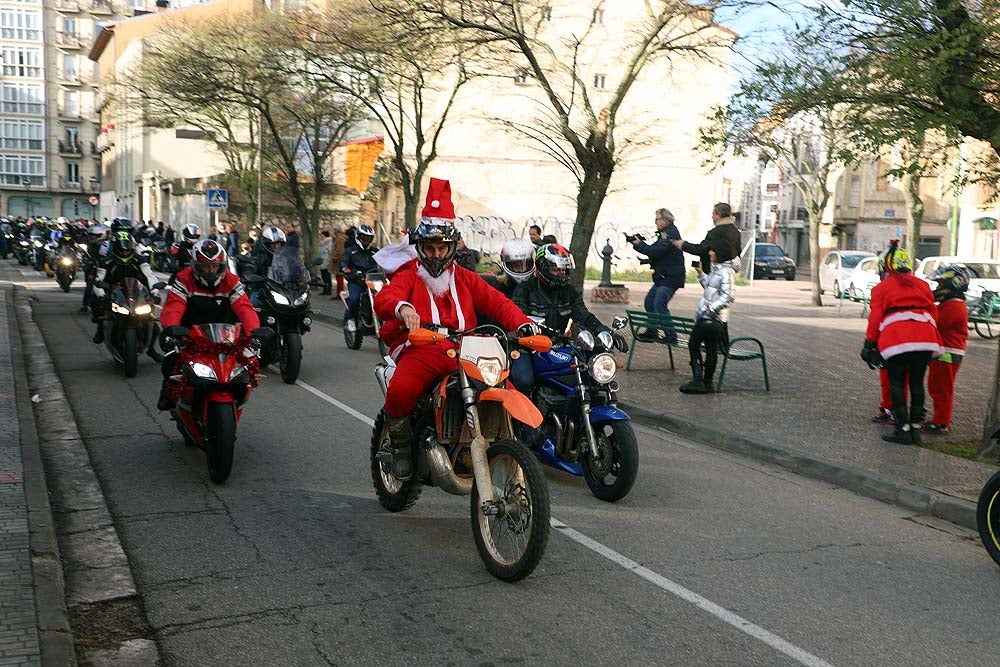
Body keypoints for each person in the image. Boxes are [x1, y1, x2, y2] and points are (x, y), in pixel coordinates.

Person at [373, 178, 533, 479]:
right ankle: (401, 445)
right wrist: (403, 308)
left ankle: (509, 448)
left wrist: (523, 324)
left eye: (441, 247)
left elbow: (498, 303)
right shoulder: (409, 274)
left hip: (468, 349)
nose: (435, 254)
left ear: (451, 247)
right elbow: (386, 298)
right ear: (420, 247)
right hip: (423, 347)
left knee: (507, 387)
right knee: (401, 389)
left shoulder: (466, 277)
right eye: (429, 247)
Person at [155, 239, 262, 411]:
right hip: (189, 334)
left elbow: (245, 308)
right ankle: (167, 390)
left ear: (222, 265)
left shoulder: (231, 281)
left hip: (225, 336)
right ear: (196, 265)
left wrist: (254, 334)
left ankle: (237, 395)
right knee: (171, 359)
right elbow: (173, 308)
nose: (211, 271)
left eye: (215, 266)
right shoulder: (183, 279)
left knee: (247, 364)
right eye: (205, 266)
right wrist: (172, 330)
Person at [511, 243, 628, 392]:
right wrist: (527, 328)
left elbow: (583, 315)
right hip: (527, 347)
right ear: (542, 267)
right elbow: (517, 317)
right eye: (555, 269)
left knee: (590, 375)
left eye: (563, 269)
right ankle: (521, 414)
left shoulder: (569, 291)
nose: (561, 273)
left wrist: (605, 331)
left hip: (558, 346)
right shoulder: (525, 289)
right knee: (524, 380)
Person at [860, 241, 943, 444]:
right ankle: (915, 429)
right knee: (916, 383)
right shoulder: (922, 285)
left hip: (897, 339)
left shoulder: (882, 287)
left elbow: (876, 317)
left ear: (886, 266)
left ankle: (902, 429)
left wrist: (869, 345)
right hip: (926, 339)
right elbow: (934, 314)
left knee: (896, 383)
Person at [679, 248, 739, 394]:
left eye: (713, 251)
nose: (710, 254)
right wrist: (701, 274)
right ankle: (706, 383)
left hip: (712, 318)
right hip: (707, 317)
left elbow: (729, 296)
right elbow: (710, 288)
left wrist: (710, 309)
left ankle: (699, 381)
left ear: (721, 253)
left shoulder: (726, 271)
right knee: (709, 348)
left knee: (695, 345)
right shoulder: (718, 269)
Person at [91, 231, 159, 345]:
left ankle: (150, 349)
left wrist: (155, 292)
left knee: (154, 324)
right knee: (97, 306)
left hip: (137, 294)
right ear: (116, 248)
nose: (124, 253)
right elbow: (98, 280)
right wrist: (102, 295)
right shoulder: (106, 262)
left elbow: (150, 276)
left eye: (127, 250)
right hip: (114, 293)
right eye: (122, 250)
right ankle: (100, 329)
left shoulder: (139, 260)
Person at [925, 264, 971, 435]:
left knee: (941, 388)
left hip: (948, 354)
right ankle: (940, 419)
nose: (937, 288)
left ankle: (941, 423)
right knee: (937, 386)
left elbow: (936, 324)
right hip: (946, 352)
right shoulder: (951, 304)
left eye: (940, 285)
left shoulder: (953, 306)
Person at [630, 208, 685, 342]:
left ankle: (671, 336)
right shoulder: (665, 233)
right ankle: (652, 331)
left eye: (657, 219)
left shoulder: (670, 234)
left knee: (659, 304)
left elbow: (656, 250)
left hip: (670, 277)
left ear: (666, 220)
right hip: (664, 276)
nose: (655, 222)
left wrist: (639, 244)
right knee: (650, 302)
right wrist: (644, 256)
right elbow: (660, 253)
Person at [672, 202, 741, 272]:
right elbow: (737, 253)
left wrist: (683, 244)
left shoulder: (717, 232)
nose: (712, 217)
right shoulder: (735, 231)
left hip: (715, 272)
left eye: (713, 214)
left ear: (718, 215)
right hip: (729, 271)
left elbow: (701, 249)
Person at [340, 223, 378, 332]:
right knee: (354, 298)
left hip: (373, 282)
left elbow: (385, 262)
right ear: (359, 237)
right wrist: (346, 270)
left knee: (385, 297)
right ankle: (351, 319)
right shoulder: (350, 251)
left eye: (369, 238)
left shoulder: (375, 252)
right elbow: (343, 264)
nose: (367, 241)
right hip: (357, 281)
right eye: (365, 238)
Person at [329, 223, 348, 299]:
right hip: (338, 260)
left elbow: (340, 250)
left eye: (334, 230)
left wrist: (334, 258)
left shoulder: (340, 238)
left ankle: (340, 294)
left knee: (339, 278)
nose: (333, 231)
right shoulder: (338, 238)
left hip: (338, 261)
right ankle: (339, 293)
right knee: (338, 278)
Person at [318, 229, 333, 295]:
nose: (321, 237)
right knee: (323, 277)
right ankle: (325, 290)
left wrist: (330, 261)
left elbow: (330, 253)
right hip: (322, 262)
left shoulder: (329, 243)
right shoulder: (321, 243)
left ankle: (328, 290)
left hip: (327, 262)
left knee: (327, 277)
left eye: (322, 236)